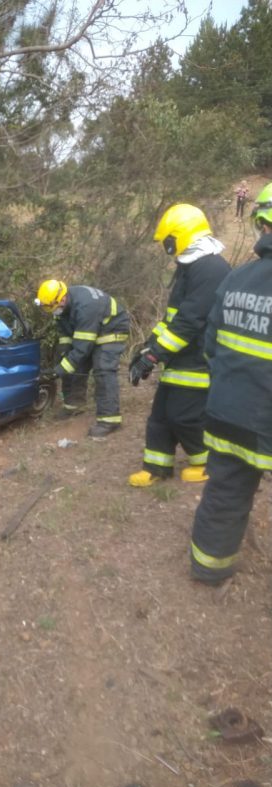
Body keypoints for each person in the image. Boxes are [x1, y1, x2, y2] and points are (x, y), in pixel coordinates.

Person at [190, 182, 272, 584]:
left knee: (225, 492)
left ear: (261, 224)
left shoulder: (235, 279)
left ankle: (209, 568)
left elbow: (210, 347)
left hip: (228, 413)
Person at [128, 203, 231, 487]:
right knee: (160, 415)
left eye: (168, 241)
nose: (167, 248)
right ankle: (157, 467)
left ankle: (207, 462)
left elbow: (190, 321)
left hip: (199, 358)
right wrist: (148, 346)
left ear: (181, 235)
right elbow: (172, 318)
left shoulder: (211, 268)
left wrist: (154, 356)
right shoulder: (192, 266)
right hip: (181, 356)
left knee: (185, 416)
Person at [34, 280, 129, 438]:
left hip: (111, 329)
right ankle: (74, 405)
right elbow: (65, 333)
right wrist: (63, 354)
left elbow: (81, 349)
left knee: (103, 369)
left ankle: (109, 420)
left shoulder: (86, 308)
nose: (52, 311)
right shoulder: (60, 305)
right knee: (73, 364)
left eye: (52, 308)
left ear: (62, 300)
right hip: (89, 330)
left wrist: (58, 371)